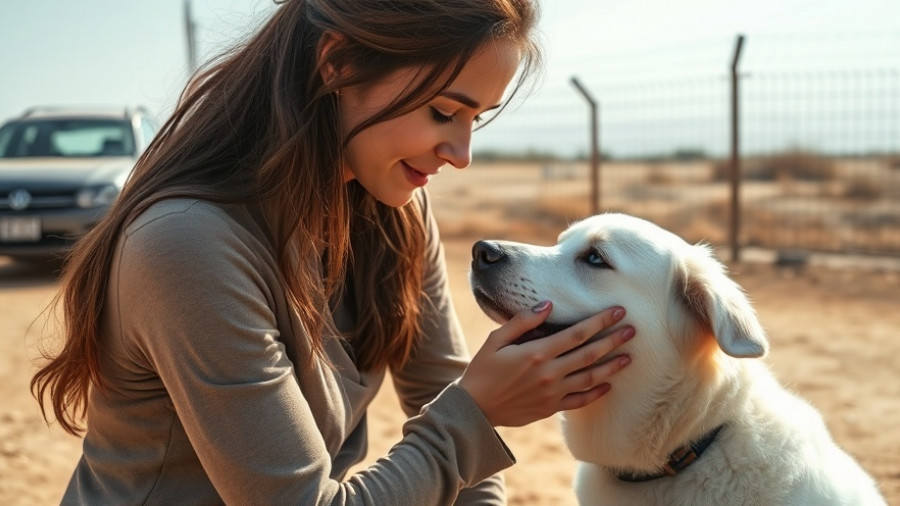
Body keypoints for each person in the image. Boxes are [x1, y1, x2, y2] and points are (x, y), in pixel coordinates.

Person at [31, 0, 635, 504]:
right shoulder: (187, 244)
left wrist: (469, 422)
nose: (461, 151)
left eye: (477, 118)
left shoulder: (395, 209)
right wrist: (473, 414)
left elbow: (443, 400)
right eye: (445, 111)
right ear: (338, 63)